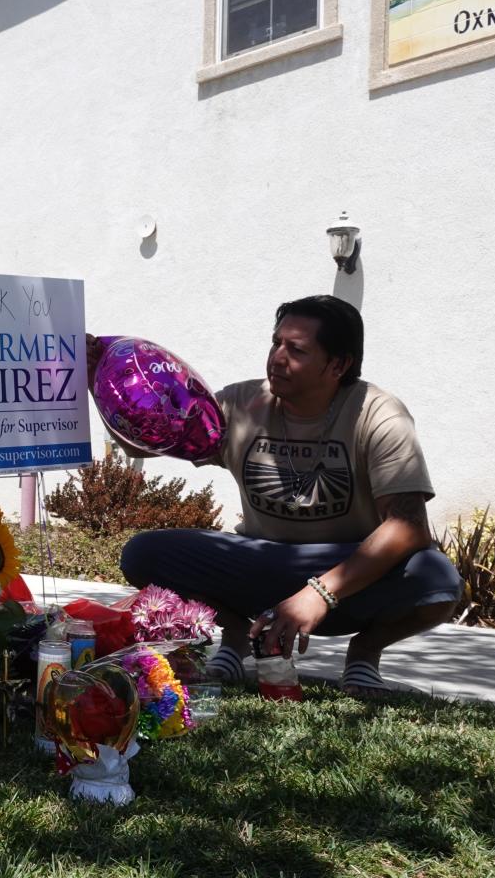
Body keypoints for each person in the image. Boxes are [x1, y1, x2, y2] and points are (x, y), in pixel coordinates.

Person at [89, 295, 461, 696]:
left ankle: (364, 655)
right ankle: (234, 640)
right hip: (257, 562)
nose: (277, 358)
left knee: (437, 579)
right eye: (275, 343)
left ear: (338, 365)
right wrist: (100, 382)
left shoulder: (378, 413)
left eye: (296, 349)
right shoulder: (241, 404)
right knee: (143, 554)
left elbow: (407, 526)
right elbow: (146, 445)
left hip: (347, 573)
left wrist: (319, 593)